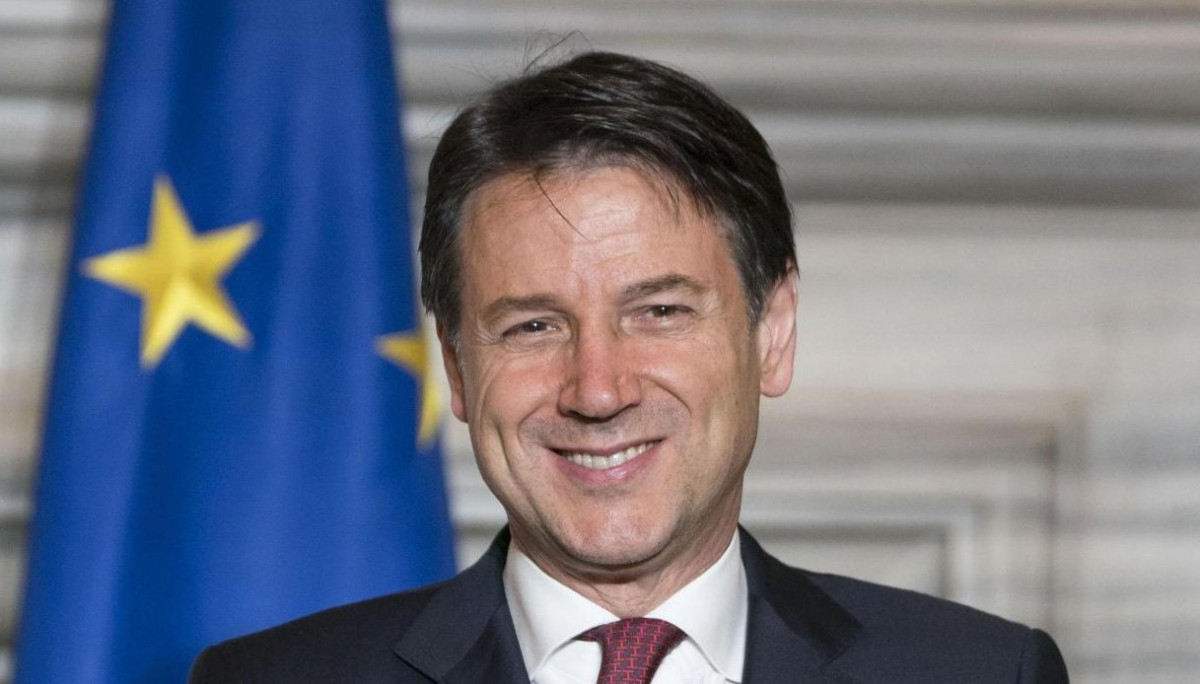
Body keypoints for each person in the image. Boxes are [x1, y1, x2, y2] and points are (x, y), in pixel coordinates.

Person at [190, 51, 1069, 683]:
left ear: (772, 331)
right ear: (456, 366)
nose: (598, 389)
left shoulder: (982, 672)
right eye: (533, 326)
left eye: (659, 312)